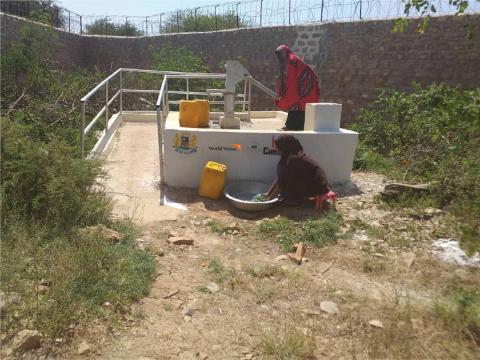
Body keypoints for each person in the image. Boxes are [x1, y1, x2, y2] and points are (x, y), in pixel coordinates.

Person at [266, 134, 332, 208]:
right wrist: (267, 194)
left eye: (279, 148)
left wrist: (268, 201)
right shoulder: (292, 156)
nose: (277, 150)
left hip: (319, 187)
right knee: (285, 173)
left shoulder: (295, 160)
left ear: (285, 146)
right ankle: (296, 197)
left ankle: (294, 200)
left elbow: (282, 181)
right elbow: (279, 178)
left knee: (288, 179)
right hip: (316, 185)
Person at [274, 45, 320, 131]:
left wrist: (286, 95)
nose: (280, 58)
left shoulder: (292, 61)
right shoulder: (288, 61)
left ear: (285, 53)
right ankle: (291, 125)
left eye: (281, 55)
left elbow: (292, 80)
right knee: (295, 106)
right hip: (301, 85)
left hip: (304, 85)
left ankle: (295, 126)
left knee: (298, 104)